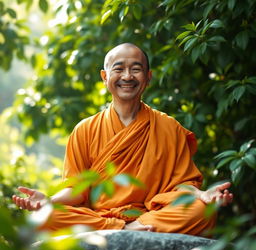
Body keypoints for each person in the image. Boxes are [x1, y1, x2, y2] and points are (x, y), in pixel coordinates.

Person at [12, 43, 233, 235]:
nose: (127, 76)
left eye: (136, 69)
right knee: (46, 217)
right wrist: (48, 201)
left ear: (148, 77)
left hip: (153, 214)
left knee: (200, 210)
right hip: (99, 217)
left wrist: (202, 195)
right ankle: (122, 228)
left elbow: (181, 184)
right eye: (119, 69)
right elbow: (77, 190)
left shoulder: (168, 126)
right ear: (105, 77)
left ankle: (137, 226)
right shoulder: (85, 129)